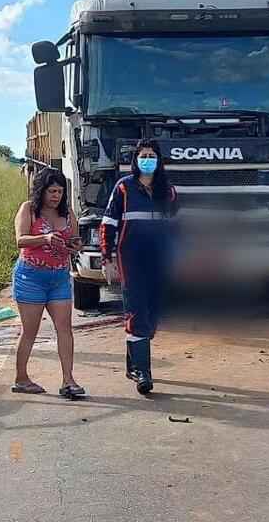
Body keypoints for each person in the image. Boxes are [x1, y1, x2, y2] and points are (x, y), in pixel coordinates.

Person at [101, 138, 179, 396]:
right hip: (130, 259)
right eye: (143, 155)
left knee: (153, 314)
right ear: (135, 159)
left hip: (158, 260)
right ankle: (143, 373)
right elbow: (108, 223)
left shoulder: (168, 191)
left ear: (159, 160)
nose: (148, 159)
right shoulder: (124, 188)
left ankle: (132, 361)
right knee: (137, 313)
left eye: (152, 155)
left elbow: (175, 228)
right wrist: (106, 257)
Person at [11, 168, 86, 399]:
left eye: (60, 191)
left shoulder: (68, 213)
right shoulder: (29, 209)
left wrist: (75, 246)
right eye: (52, 191)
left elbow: (74, 239)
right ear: (41, 191)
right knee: (30, 331)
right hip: (31, 277)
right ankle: (21, 378)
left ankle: (68, 380)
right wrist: (45, 238)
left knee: (65, 328)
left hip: (59, 278)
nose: (56, 196)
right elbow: (20, 240)